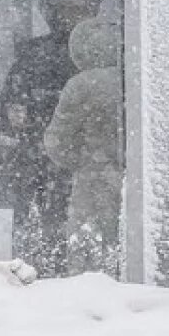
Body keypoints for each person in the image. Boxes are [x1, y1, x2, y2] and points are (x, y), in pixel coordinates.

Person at [0, 0, 107, 277]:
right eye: (62, 8)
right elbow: (6, 110)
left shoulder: (105, 57)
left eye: (77, 8)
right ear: (50, 12)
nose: (70, 16)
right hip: (39, 170)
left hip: (82, 170)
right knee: (39, 254)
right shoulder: (34, 55)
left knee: (81, 252)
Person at [43, 16, 124, 277]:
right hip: (153, 188)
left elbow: (57, 142)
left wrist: (89, 161)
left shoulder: (82, 85)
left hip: (95, 187)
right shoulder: (151, 78)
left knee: (92, 268)